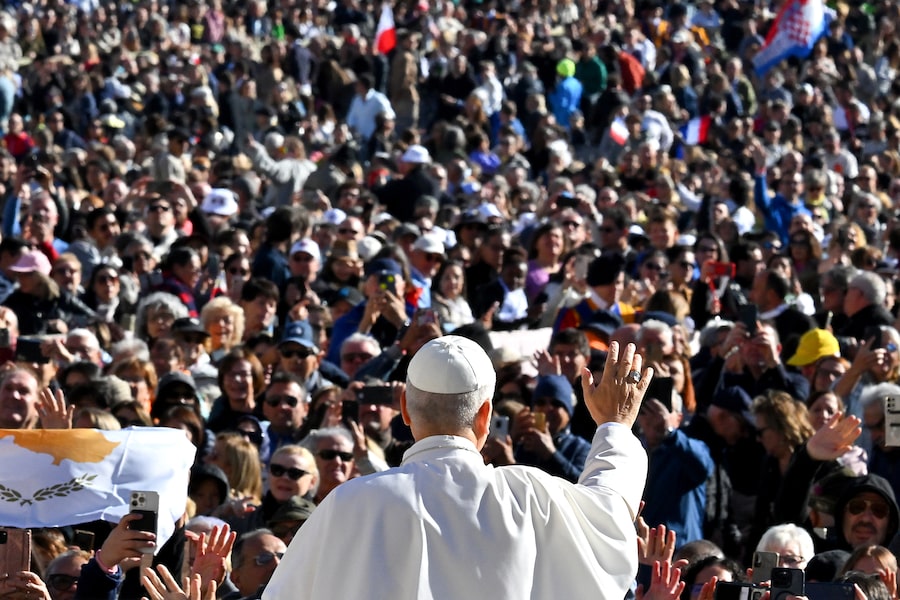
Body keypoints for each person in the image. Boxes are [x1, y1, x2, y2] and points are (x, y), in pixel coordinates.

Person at [264, 338, 651, 598]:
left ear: (404, 411)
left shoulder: (348, 502)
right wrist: (614, 424)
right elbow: (611, 513)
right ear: (486, 415)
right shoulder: (530, 494)